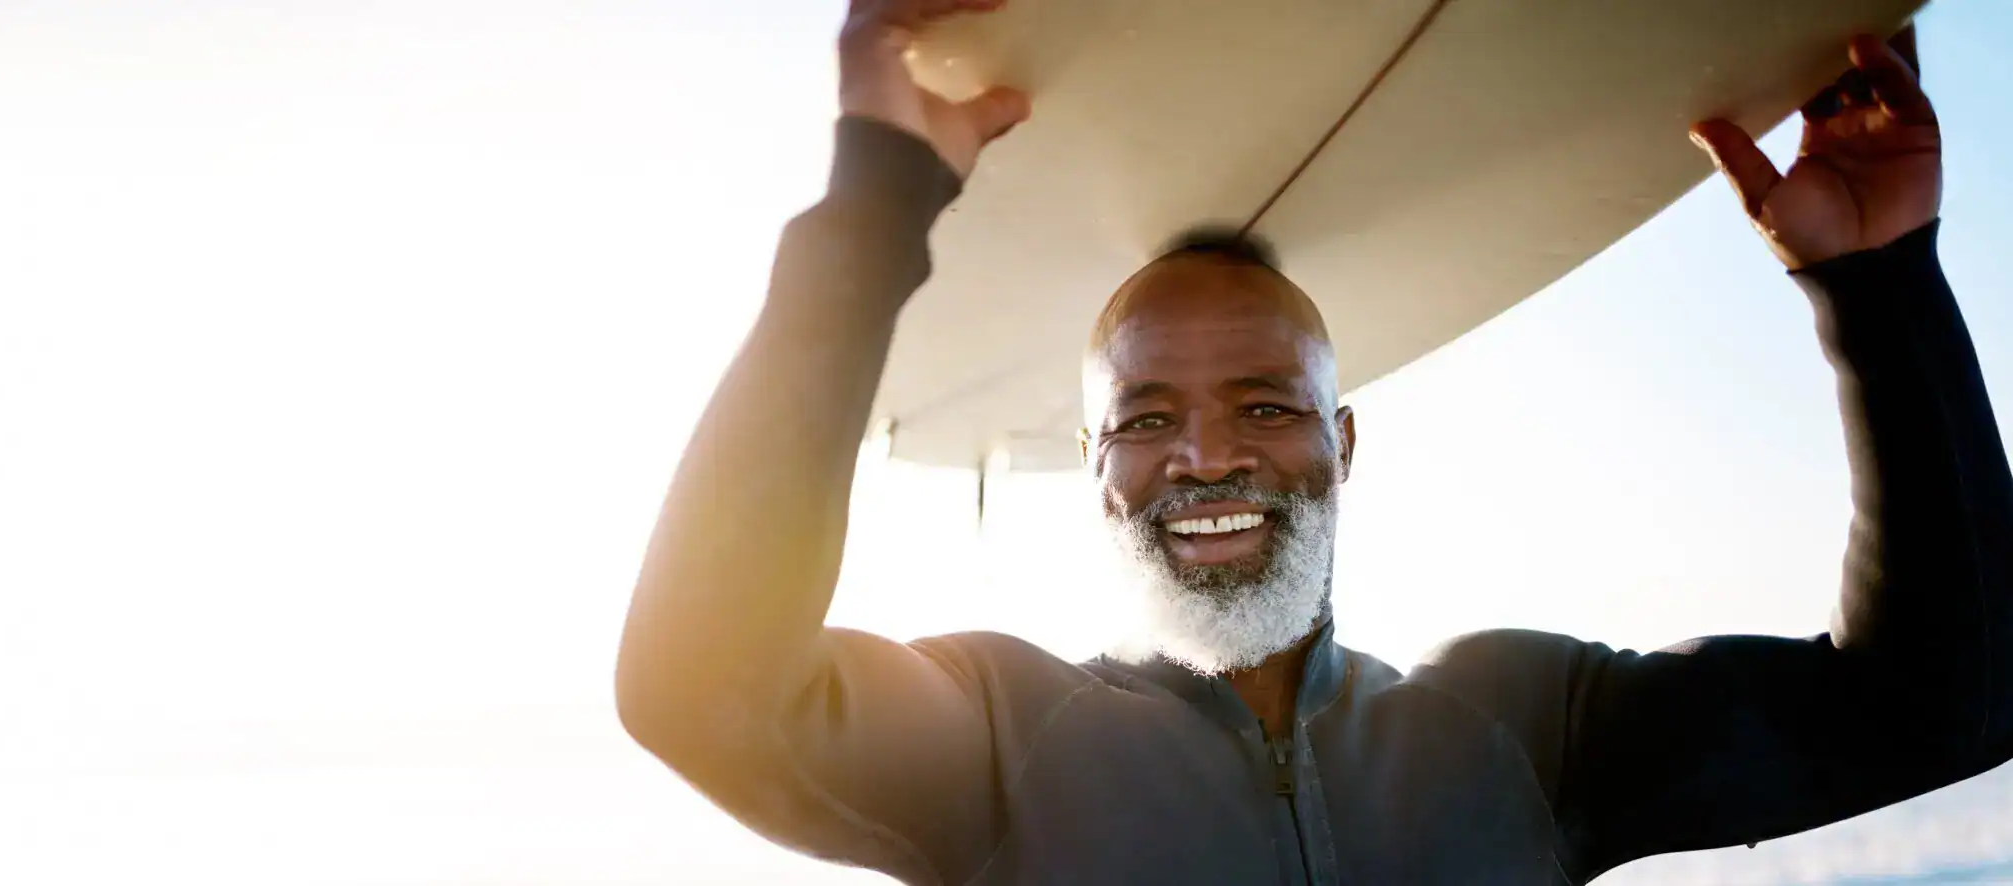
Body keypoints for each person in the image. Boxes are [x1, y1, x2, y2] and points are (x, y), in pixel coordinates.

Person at [615, 0, 2011, 882]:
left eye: (1267, 406)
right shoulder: (997, 739)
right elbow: (697, 685)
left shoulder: (1522, 727)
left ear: (1344, 440)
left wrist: (1883, 289)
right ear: (1094, 466)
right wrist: (876, 206)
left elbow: (1947, 704)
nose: (1206, 456)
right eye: (1145, 420)